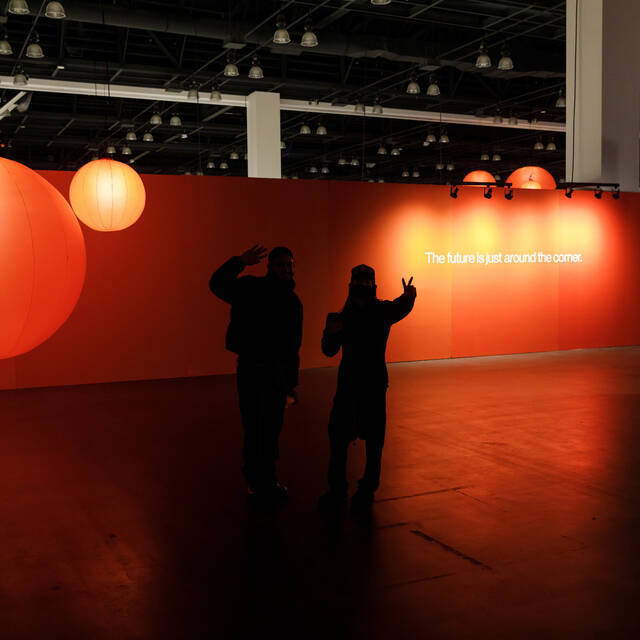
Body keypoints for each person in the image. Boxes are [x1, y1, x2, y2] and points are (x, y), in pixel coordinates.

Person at [318, 265, 416, 513]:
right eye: (360, 280)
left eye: (366, 280)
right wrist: (330, 335)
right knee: (343, 438)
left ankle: (361, 488)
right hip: (354, 385)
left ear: (373, 285)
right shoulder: (344, 317)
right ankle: (342, 488)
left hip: (369, 385)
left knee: (371, 441)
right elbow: (328, 349)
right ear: (353, 284)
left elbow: (401, 306)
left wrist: (409, 296)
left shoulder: (376, 312)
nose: (363, 284)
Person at [209, 244, 302, 503]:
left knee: (270, 430)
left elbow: (294, 345)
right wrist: (239, 261)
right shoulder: (250, 288)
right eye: (281, 264)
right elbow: (216, 284)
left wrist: (291, 383)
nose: (286, 269)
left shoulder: (294, 303)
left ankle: (266, 480)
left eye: (289, 264)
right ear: (270, 267)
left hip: (276, 375)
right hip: (252, 370)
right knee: (255, 428)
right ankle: (256, 481)